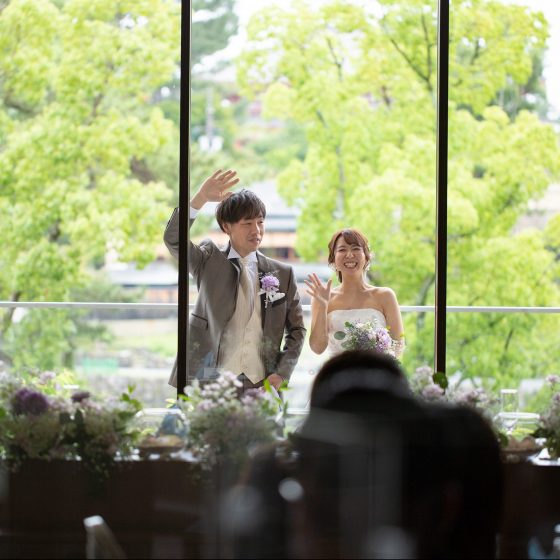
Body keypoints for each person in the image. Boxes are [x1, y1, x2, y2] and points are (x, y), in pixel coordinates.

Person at [163, 169, 306, 392]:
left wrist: (282, 373)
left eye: (260, 222)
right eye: (247, 223)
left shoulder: (282, 273)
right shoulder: (208, 260)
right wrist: (200, 199)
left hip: (261, 383)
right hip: (210, 380)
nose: (256, 230)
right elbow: (174, 239)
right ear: (226, 227)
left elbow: (297, 330)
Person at [305, 228, 405, 358]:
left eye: (356, 248)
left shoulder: (385, 296)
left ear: (366, 257)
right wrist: (323, 305)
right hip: (339, 369)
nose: (349, 255)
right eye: (342, 250)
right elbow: (317, 348)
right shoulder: (322, 298)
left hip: (376, 368)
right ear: (333, 260)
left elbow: (398, 346)